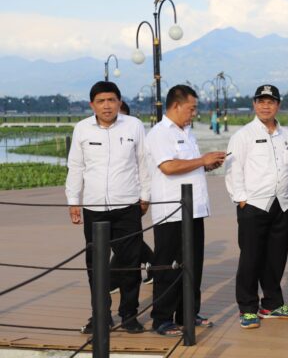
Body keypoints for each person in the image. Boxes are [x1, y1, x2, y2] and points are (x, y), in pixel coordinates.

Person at [65, 81, 151, 334]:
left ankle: (129, 314)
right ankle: (101, 315)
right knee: (96, 265)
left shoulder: (133, 126)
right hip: (94, 208)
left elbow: (143, 163)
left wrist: (145, 196)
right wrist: (73, 201)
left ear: (119, 102)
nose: (106, 105)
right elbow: (76, 167)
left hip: (127, 206)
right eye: (101, 101)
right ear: (92, 105)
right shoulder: (82, 129)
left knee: (130, 263)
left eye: (111, 100)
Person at [145, 84, 226, 337]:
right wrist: (202, 160)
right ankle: (162, 318)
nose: (193, 113)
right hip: (171, 210)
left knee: (193, 264)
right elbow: (168, 166)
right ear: (176, 105)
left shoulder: (187, 132)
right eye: (191, 108)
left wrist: (206, 165)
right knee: (168, 265)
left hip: (194, 208)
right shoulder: (159, 133)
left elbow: (187, 165)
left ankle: (188, 312)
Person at [225, 84, 288, 329]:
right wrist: (241, 198)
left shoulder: (287, 136)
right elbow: (233, 169)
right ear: (255, 104)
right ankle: (248, 307)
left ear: (277, 105)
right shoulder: (242, 135)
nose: (266, 106)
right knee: (250, 259)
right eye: (261, 101)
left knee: (276, 257)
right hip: (253, 205)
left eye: (271, 101)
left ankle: (272, 304)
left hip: (282, 204)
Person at [109, 101, 155, 294]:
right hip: (105, 200)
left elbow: (144, 164)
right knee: (123, 241)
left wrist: (145, 196)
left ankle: (114, 280)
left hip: (130, 197)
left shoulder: (134, 133)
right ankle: (152, 262)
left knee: (125, 241)